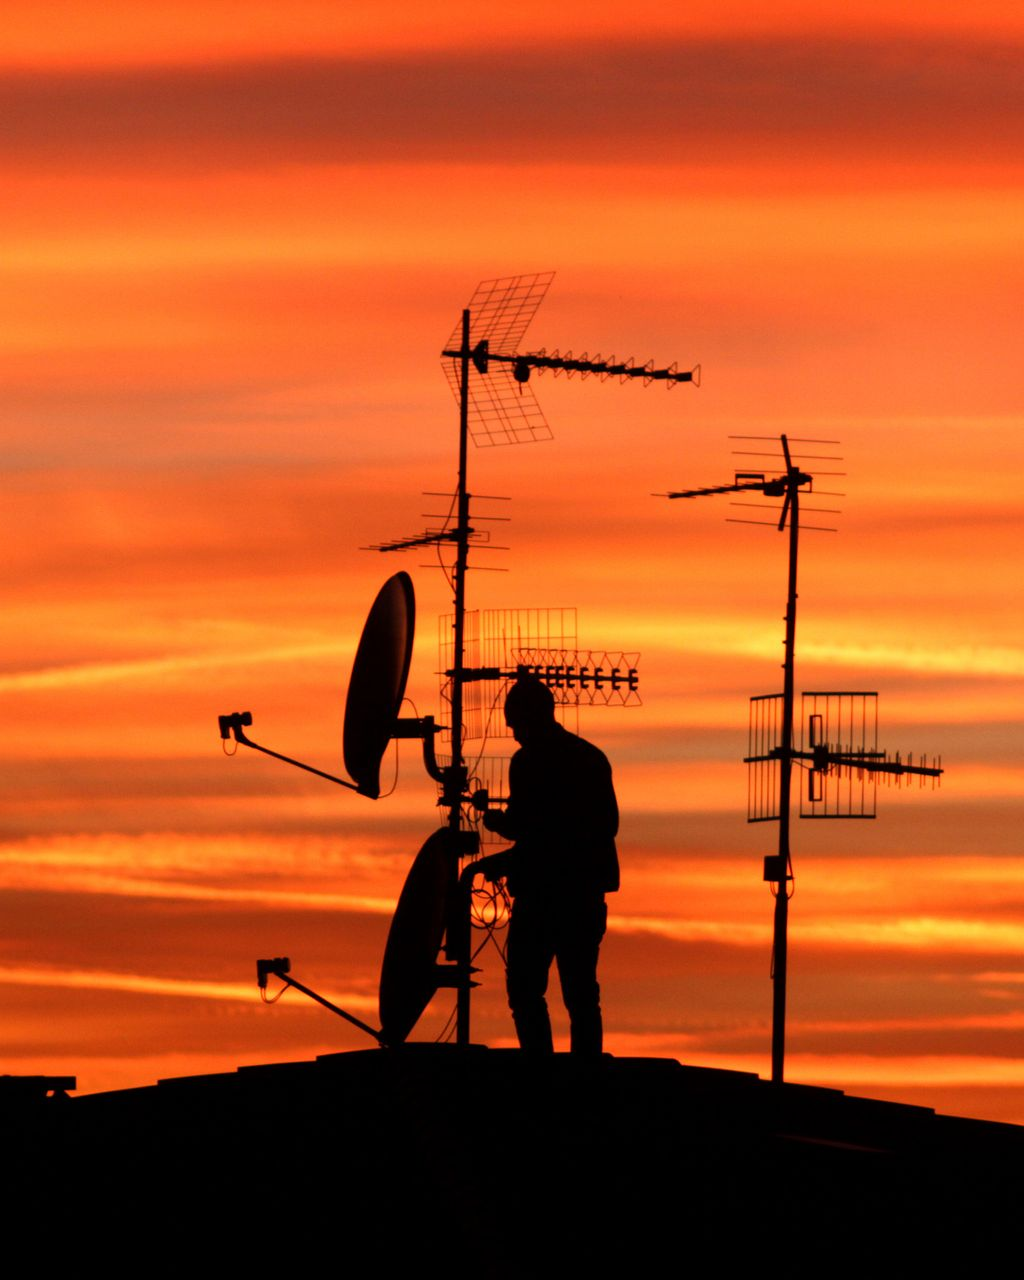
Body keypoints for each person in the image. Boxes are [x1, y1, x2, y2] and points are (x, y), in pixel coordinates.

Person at [479, 674, 619, 1055]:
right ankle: (581, 1073)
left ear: (530, 717)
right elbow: (600, 826)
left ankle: (541, 1071)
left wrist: (503, 835)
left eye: (515, 724)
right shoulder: (589, 757)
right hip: (581, 897)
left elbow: (539, 831)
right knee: (579, 993)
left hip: (548, 898)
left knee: (527, 989)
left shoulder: (530, 762)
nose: (514, 734)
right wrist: (503, 824)